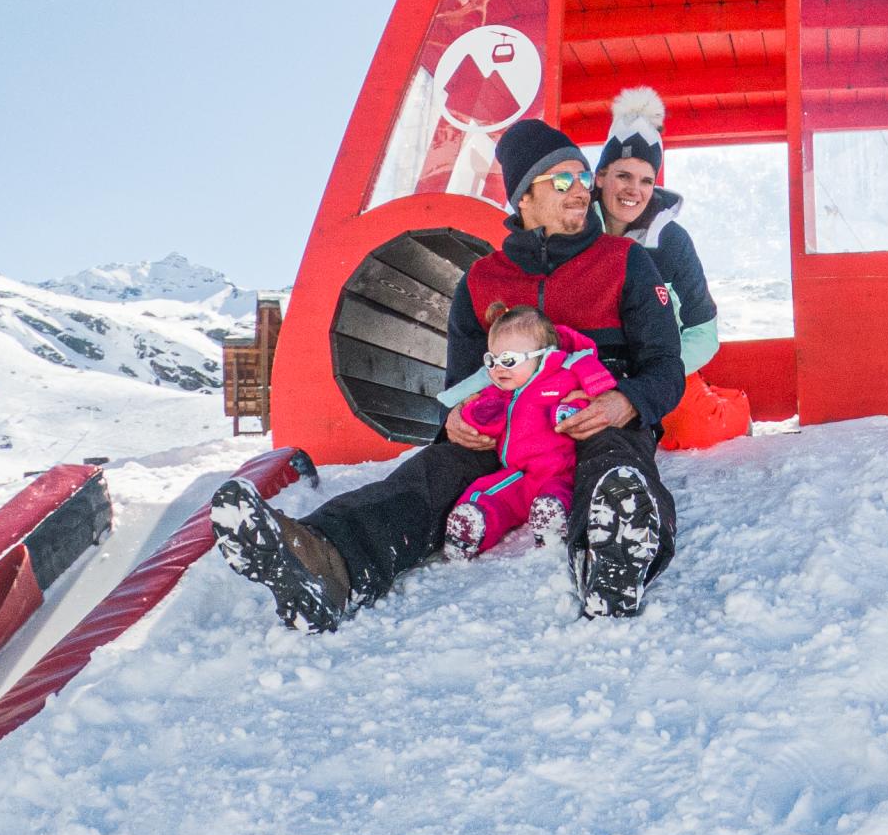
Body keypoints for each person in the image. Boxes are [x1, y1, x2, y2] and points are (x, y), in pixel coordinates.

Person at [211, 117, 685, 627]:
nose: (581, 190)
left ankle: (612, 562)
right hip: (511, 423)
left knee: (615, 464)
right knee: (433, 472)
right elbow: (465, 383)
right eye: (564, 179)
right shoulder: (484, 280)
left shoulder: (625, 262)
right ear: (525, 196)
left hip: (594, 410)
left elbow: (665, 366)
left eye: (584, 177)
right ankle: (328, 561)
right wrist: (455, 421)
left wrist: (626, 402)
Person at [593, 88, 727, 447]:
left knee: (689, 431)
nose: (633, 190)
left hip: (660, 368)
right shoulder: (574, 231)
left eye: (646, 180)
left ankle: (730, 408)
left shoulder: (673, 243)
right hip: (591, 375)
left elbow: (703, 331)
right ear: (600, 176)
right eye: (623, 176)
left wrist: (652, 378)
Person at [441, 308, 620, 558]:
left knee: (559, 494)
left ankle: (553, 520)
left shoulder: (562, 379)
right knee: (488, 491)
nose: (498, 369)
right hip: (518, 473)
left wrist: (573, 411)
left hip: (558, 470)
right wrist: (479, 416)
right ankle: (472, 526)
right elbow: (487, 425)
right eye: (491, 360)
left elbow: (588, 399)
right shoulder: (500, 390)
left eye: (509, 360)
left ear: (543, 355)